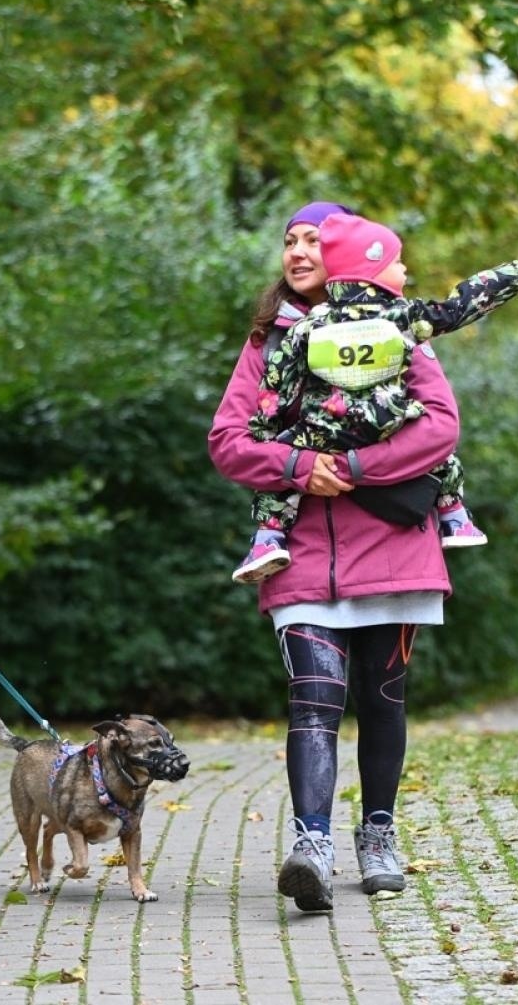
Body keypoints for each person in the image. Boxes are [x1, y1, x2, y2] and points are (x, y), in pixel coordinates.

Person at [209, 201, 471, 913]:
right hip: (300, 557)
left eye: (314, 240)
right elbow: (228, 440)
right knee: (314, 698)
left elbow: (440, 426)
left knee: (382, 700)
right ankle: (312, 847)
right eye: (289, 240)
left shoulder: (397, 328)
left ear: (350, 257)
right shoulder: (268, 340)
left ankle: (378, 833)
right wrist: (301, 466)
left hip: (395, 550)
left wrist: (351, 467)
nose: (298, 251)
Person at [232, 211, 518, 583]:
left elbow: (279, 381)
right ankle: (454, 517)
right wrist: (510, 277)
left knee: (280, 471)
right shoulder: (401, 318)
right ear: (371, 270)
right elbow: (457, 308)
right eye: (397, 262)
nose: (404, 270)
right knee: (444, 459)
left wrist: (265, 430)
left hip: (324, 427)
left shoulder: (307, 327)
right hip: (387, 419)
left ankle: (268, 538)